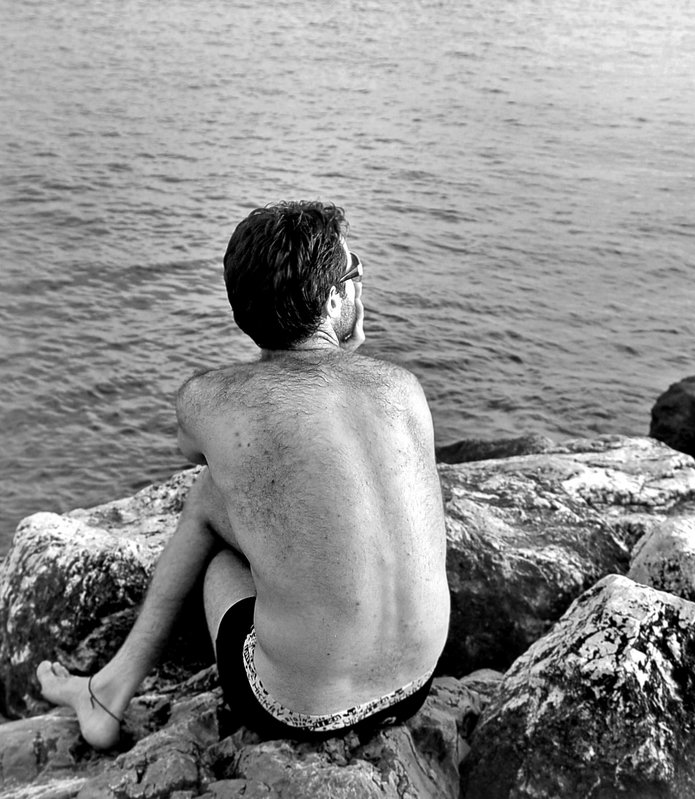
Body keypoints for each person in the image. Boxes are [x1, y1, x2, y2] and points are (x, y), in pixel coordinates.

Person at [37, 201, 451, 749]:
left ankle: (109, 691)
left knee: (209, 501)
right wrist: (341, 351)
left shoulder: (208, 398)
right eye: (355, 272)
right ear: (333, 299)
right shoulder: (403, 388)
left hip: (297, 709)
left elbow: (196, 451)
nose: (362, 283)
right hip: (415, 683)